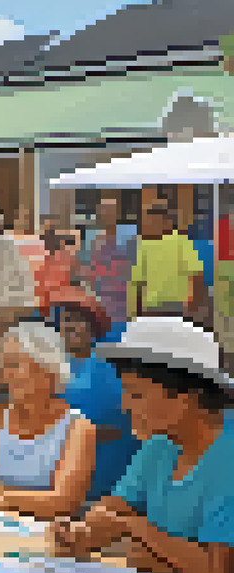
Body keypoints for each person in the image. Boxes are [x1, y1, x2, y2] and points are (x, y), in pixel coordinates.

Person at [52, 317, 234, 573]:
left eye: (136, 395)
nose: (125, 406)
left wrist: (138, 531)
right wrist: (81, 533)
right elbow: (113, 510)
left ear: (186, 396)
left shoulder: (227, 458)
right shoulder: (159, 445)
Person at [0, 322, 97, 520]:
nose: (6, 375)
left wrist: (0, 498)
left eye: (15, 365)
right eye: (5, 365)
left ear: (48, 369)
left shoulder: (78, 428)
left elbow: (63, 502)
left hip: (47, 539)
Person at [47, 287, 141, 510]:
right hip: (61, 483)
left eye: (77, 321)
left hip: (108, 483)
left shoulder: (109, 364)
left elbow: (118, 425)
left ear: (92, 328)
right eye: (65, 321)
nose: (69, 327)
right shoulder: (51, 365)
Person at [133, 202, 202, 319]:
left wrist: (193, 305)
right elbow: (138, 282)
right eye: (151, 221)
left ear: (167, 222)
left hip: (179, 306)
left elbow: (196, 274)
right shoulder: (143, 245)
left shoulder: (181, 242)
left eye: (157, 221)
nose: (154, 225)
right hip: (151, 307)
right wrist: (138, 311)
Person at [83, 198, 132, 326]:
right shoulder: (92, 238)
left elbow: (134, 267)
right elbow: (88, 268)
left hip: (123, 300)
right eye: (103, 211)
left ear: (117, 213)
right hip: (100, 300)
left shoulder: (130, 235)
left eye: (110, 211)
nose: (106, 214)